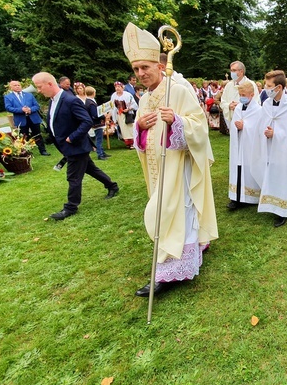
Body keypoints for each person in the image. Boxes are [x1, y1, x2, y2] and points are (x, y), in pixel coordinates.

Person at [124, 22, 217, 296]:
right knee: (167, 213)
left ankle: (167, 273)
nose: (140, 74)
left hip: (180, 168)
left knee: (174, 215)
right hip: (157, 171)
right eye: (136, 69)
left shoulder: (177, 90)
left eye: (145, 67)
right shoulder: (143, 99)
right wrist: (139, 127)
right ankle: (189, 252)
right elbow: (141, 137)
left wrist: (176, 121)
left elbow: (199, 127)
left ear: (158, 65)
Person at [33, 72, 119, 220]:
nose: (38, 91)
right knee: (90, 169)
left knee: (73, 177)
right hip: (67, 147)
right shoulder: (53, 101)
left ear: (49, 84)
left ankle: (71, 207)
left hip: (76, 146)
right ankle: (112, 186)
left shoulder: (70, 100)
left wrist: (72, 138)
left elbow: (86, 121)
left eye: (39, 87)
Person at [251, 70, 287, 227]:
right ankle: (272, 203)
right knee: (272, 174)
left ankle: (283, 210)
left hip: (285, 151)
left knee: (283, 177)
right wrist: (266, 132)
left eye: (269, 86)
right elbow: (261, 123)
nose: (265, 88)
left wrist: (276, 134)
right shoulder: (267, 104)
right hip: (269, 149)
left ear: (279, 87)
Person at [228, 81, 263, 210]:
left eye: (244, 94)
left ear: (252, 95)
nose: (241, 97)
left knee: (248, 170)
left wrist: (245, 126)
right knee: (237, 169)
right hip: (238, 145)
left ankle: (249, 197)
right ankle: (235, 197)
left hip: (249, 147)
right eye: (240, 94)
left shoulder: (258, 110)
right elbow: (233, 124)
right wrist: (236, 126)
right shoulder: (238, 108)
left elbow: (258, 129)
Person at [4, 80, 50, 156]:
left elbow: (36, 106)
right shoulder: (8, 97)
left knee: (37, 135)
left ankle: (43, 151)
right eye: (15, 85)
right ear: (11, 87)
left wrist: (30, 109)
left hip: (33, 118)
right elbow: (8, 108)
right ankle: (26, 152)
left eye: (19, 85)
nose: (18, 86)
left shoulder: (29, 95)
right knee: (23, 136)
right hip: (21, 119)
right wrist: (21, 110)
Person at [220, 61, 259, 132]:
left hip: (247, 122)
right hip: (232, 120)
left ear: (241, 71)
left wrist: (240, 106)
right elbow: (222, 102)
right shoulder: (229, 85)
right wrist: (229, 105)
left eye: (234, 70)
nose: (232, 73)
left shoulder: (251, 84)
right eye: (231, 70)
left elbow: (256, 103)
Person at [84, 86, 110, 160]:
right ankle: (100, 154)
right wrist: (103, 115)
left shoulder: (88, 101)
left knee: (99, 138)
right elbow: (95, 115)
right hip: (97, 123)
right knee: (99, 139)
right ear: (93, 93)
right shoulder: (91, 103)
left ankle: (102, 152)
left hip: (96, 123)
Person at [111, 81, 137, 149]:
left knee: (129, 129)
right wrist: (113, 117)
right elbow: (112, 106)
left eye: (119, 87)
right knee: (123, 130)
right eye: (116, 87)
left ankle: (133, 143)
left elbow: (134, 104)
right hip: (119, 115)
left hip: (127, 114)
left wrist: (128, 109)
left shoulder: (128, 95)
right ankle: (127, 143)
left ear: (122, 87)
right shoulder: (114, 95)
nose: (117, 88)